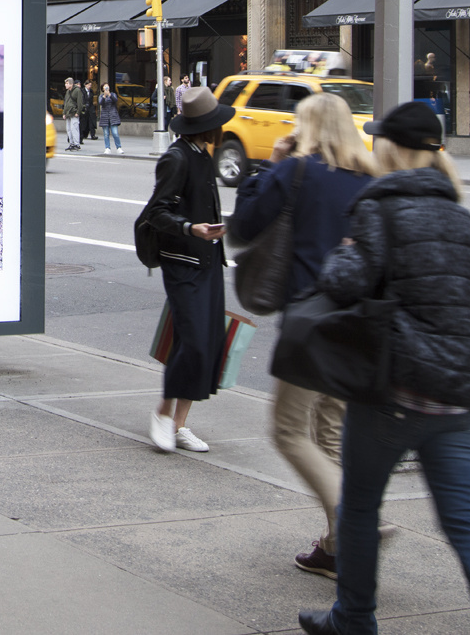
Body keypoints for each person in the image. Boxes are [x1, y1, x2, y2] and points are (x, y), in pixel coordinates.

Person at [298, 102, 470, 635]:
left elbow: (343, 282)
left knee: (358, 508)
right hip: (460, 397)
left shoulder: (379, 208)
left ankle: (354, 617)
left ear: (392, 148)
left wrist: (344, 252)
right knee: (465, 524)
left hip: (393, 393)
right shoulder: (461, 215)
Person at [227, 93, 376, 581]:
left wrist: (266, 167)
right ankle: (337, 546)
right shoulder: (371, 179)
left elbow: (245, 225)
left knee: (288, 430)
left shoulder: (297, 170)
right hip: (360, 323)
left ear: (305, 128)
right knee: (330, 430)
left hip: (312, 323)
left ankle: (358, 526)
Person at [138, 84, 232, 453]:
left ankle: (178, 424)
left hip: (206, 258)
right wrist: (190, 228)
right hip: (183, 263)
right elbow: (157, 212)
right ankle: (163, 414)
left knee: (205, 341)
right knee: (192, 342)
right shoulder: (177, 158)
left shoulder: (201, 154)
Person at [61, 77, 84, 151]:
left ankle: (76, 144)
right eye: (65, 83)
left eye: (67, 83)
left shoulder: (77, 91)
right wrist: (64, 113)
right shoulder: (68, 92)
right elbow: (66, 103)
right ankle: (71, 143)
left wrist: (78, 112)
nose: (65, 85)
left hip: (74, 112)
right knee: (69, 129)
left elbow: (80, 102)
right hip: (68, 113)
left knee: (74, 128)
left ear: (71, 84)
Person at [99, 83, 123, 153]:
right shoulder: (101, 96)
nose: (106, 87)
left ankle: (118, 147)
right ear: (102, 89)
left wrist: (109, 94)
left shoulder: (113, 94)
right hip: (105, 116)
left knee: (115, 133)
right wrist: (104, 96)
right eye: (105, 86)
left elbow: (115, 100)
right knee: (106, 133)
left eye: (107, 86)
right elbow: (101, 103)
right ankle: (107, 147)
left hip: (113, 116)